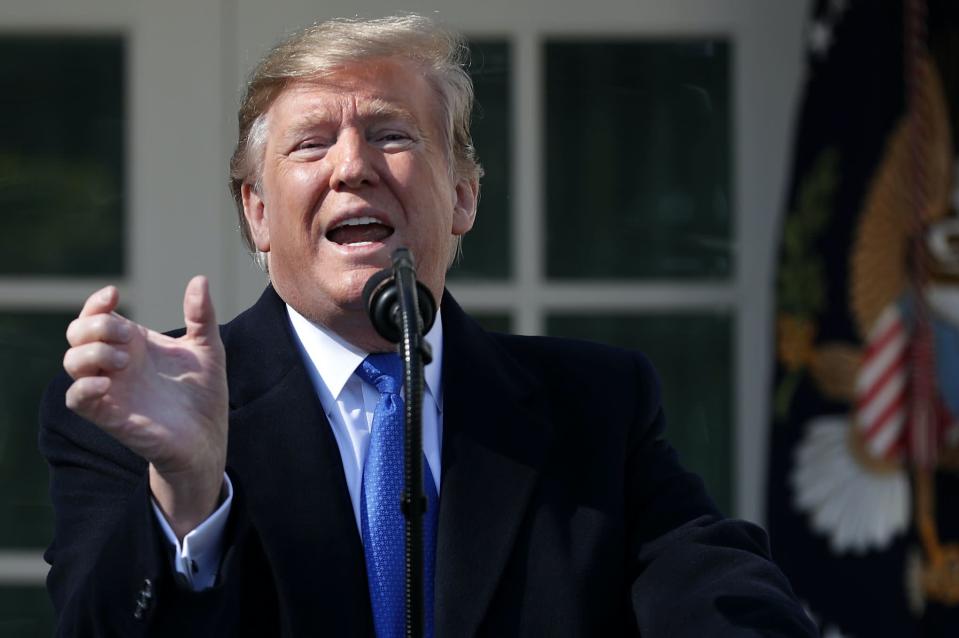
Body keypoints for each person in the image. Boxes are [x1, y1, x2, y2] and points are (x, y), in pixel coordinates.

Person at [40, 14, 818, 637]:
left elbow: (717, 593)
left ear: (464, 198)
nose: (352, 166)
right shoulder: (140, 415)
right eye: (311, 144)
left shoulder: (596, 403)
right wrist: (186, 493)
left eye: (392, 134)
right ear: (256, 213)